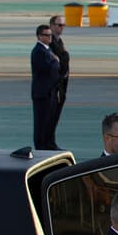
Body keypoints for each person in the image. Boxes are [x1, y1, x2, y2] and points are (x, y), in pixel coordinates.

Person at [31, 24, 60, 150]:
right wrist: (55, 61)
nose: (49, 37)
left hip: (49, 92)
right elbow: (47, 68)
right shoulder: (38, 51)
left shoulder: (47, 50)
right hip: (42, 93)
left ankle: (48, 144)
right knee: (41, 123)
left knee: (48, 121)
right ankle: (41, 147)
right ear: (39, 36)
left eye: (50, 35)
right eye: (46, 35)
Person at [48, 14, 70, 148]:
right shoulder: (50, 43)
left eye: (63, 25)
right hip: (55, 86)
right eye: (59, 25)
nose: (62, 28)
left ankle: (51, 142)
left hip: (62, 85)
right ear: (51, 26)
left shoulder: (59, 41)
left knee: (55, 117)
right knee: (50, 117)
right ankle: (48, 143)